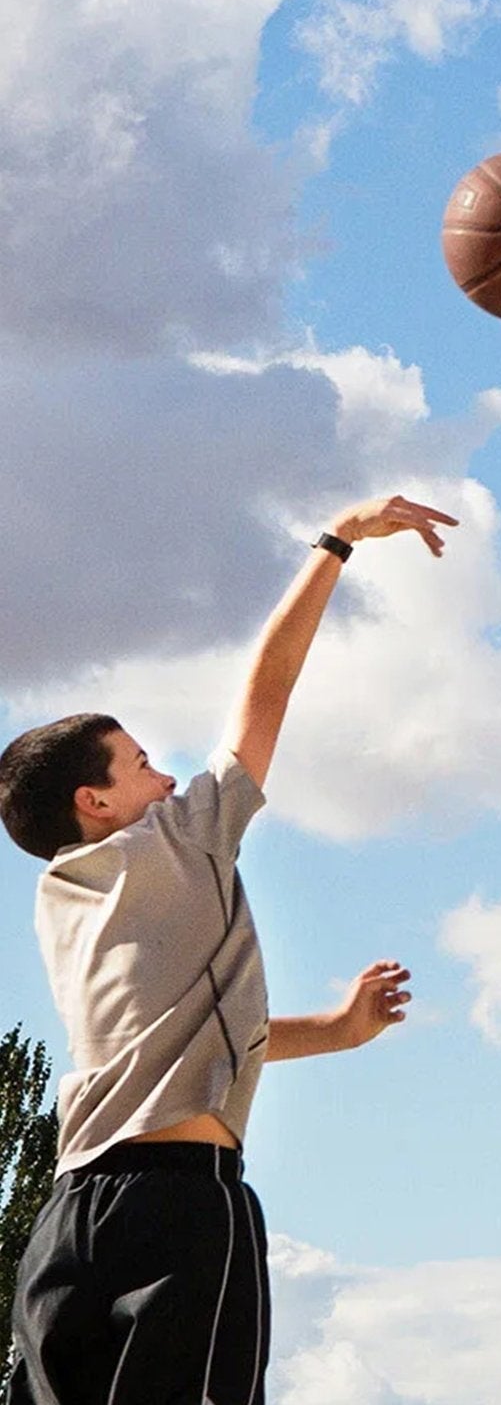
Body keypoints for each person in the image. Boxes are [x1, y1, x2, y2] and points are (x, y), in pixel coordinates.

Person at [1, 494, 456, 1405]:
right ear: (95, 802)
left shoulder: (65, 902)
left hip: (69, 1222)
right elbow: (268, 692)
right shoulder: (177, 839)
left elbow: (188, 1039)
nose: (167, 776)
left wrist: (330, 1030)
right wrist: (337, 542)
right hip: (179, 1206)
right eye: (139, 765)